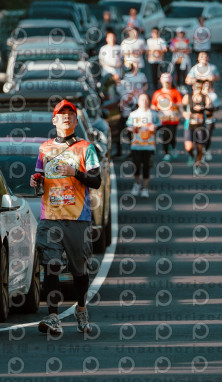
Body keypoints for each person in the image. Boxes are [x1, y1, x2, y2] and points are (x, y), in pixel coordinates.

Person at [30, 100, 101, 335]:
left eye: (71, 114)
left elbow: (96, 181)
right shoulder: (44, 149)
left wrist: (75, 173)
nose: (67, 117)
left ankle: (81, 308)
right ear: (54, 120)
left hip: (77, 218)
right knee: (50, 267)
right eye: (62, 114)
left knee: (79, 271)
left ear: (76, 121)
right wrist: (36, 181)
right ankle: (53, 317)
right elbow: (40, 177)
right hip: (50, 217)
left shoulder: (86, 148)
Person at [126, 93, 160, 198]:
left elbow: (158, 124)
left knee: (146, 167)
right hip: (136, 145)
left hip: (149, 145)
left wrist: (154, 127)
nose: (144, 102)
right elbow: (128, 126)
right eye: (141, 99)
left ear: (149, 101)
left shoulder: (153, 114)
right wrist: (132, 128)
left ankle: (145, 189)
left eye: (146, 99)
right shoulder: (133, 114)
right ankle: (136, 184)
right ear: (138, 101)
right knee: (136, 166)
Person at [117, 63, 148, 157]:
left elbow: (132, 92)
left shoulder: (140, 76)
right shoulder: (124, 81)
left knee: (134, 127)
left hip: (134, 105)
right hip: (127, 107)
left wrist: (141, 92)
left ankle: (136, 150)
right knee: (127, 128)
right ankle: (130, 150)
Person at [182, 80, 213, 174]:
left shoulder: (205, 97)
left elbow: (211, 108)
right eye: (196, 86)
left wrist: (203, 108)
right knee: (188, 147)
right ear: (192, 87)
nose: (197, 88)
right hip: (189, 125)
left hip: (201, 126)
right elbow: (181, 106)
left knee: (200, 148)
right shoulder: (188, 96)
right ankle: (191, 156)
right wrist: (184, 113)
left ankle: (197, 165)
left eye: (199, 86)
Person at [151, 72, 183, 161]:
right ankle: (166, 153)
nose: (166, 83)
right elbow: (153, 105)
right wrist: (156, 108)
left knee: (172, 135)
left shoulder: (175, 92)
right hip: (162, 119)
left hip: (173, 118)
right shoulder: (157, 93)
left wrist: (173, 104)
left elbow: (180, 103)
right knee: (165, 136)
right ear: (161, 81)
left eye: (168, 82)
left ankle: (173, 147)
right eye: (165, 82)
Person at [201, 80, 219, 162]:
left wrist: (210, 108)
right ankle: (201, 153)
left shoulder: (213, 95)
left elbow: (217, 108)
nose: (207, 87)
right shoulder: (198, 95)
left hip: (209, 119)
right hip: (200, 120)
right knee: (201, 137)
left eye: (208, 85)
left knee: (208, 136)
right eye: (205, 85)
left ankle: (207, 150)